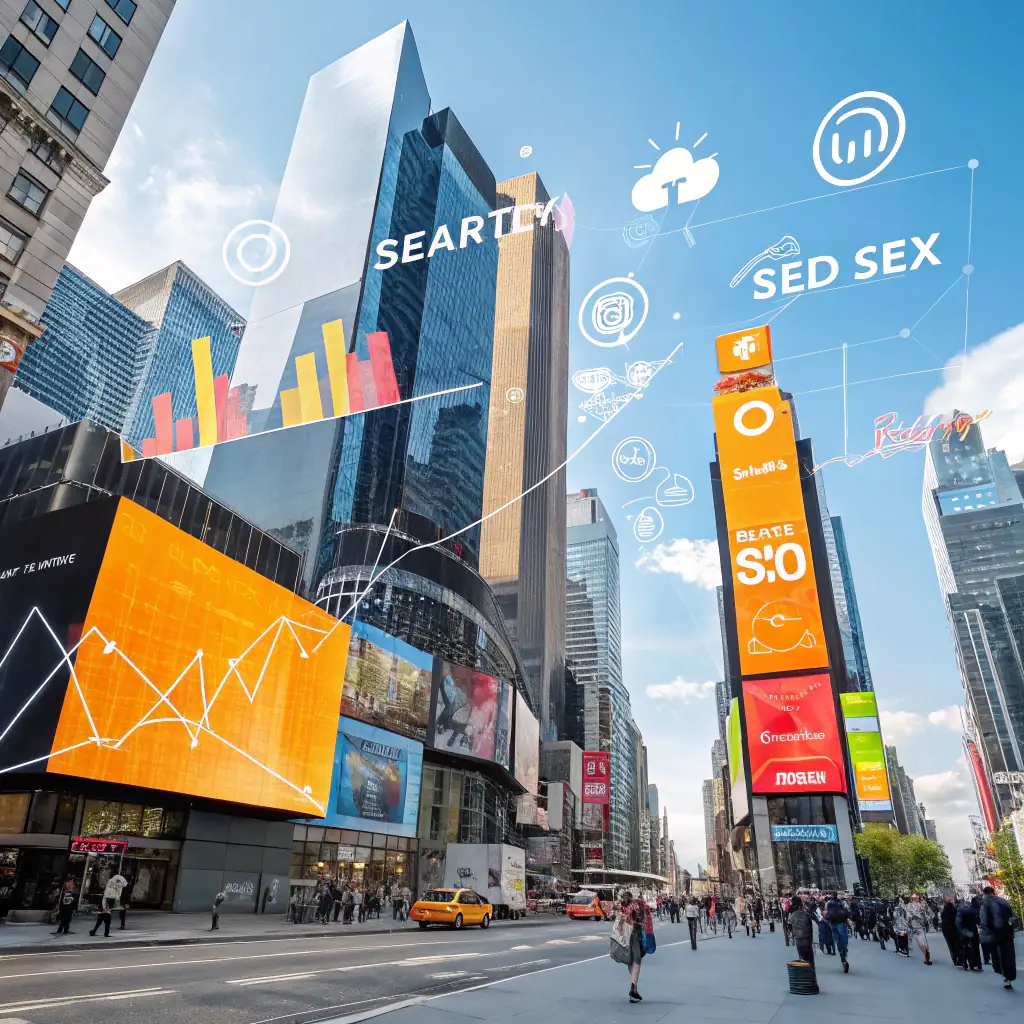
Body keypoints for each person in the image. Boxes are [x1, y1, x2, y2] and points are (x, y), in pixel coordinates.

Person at [609, 891, 645, 1003]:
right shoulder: (635, 905)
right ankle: (633, 989)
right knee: (636, 959)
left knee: (631, 960)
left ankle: (634, 988)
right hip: (633, 934)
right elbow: (640, 919)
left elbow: (610, 913)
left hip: (622, 934)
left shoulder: (619, 905)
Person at [979, 885, 1017, 990]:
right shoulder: (1003, 901)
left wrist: (984, 936)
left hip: (994, 935)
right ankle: (1008, 978)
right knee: (1009, 956)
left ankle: (1004, 975)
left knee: (997, 958)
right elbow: (1012, 916)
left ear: (984, 894)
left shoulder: (984, 904)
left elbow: (984, 921)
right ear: (993, 892)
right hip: (1007, 934)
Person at [825, 892, 851, 973]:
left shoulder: (828, 903)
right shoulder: (842, 903)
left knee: (837, 940)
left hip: (833, 924)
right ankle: (844, 954)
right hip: (841, 923)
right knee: (844, 940)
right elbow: (847, 912)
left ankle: (843, 958)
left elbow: (825, 914)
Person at [956, 895, 983, 972]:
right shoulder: (976, 910)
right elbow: (978, 921)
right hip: (973, 930)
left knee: (967, 947)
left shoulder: (963, 910)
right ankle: (977, 965)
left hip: (965, 931)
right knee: (975, 948)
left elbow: (958, 922)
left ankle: (966, 963)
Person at [790, 895, 816, 968]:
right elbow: (811, 925)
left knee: (802, 956)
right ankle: (811, 972)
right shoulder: (806, 912)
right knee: (809, 957)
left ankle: (805, 973)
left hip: (798, 938)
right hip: (807, 937)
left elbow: (790, 926)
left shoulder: (792, 914)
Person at [940, 894, 961, 966]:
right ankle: (959, 958)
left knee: (950, 945)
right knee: (956, 943)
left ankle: (955, 959)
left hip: (946, 929)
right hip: (953, 928)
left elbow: (942, 916)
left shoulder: (945, 908)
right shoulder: (952, 908)